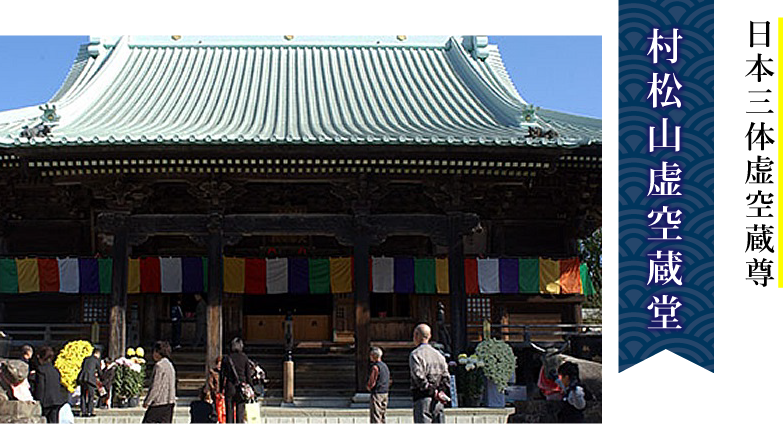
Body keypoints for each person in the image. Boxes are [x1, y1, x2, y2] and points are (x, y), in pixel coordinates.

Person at [409, 324, 450, 424]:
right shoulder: (439, 355)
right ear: (430, 336)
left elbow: (418, 376)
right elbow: (446, 376)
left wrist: (431, 390)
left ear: (416, 335)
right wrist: (439, 391)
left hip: (423, 396)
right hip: (438, 398)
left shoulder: (416, 354)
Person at [142, 341, 177, 424]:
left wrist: (148, 401)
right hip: (169, 401)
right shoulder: (170, 365)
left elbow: (156, 386)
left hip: (159, 402)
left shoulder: (159, 366)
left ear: (158, 352)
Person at [220, 337, 252, 424]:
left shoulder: (227, 358)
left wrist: (221, 388)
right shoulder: (244, 358)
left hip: (230, 385)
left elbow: (222, 375)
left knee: (229, 410)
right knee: (240, 410)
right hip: (241, 386)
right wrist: (250, 386)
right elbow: (248, 374)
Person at [33, 346, 67, 424]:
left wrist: (38, 400)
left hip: (46, 400)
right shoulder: (55, 370)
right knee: (54, 421)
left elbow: (40, 387)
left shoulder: (41, 370)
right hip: (57, 399)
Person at [367, 347, 391, 424]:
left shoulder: (375, 367)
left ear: (374, 356)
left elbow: (372, 381)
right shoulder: (385, 366)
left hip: (377, 393)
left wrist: (369, 387)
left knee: (376, 415)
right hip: (385, 392)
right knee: (382, 414)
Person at [76, 347, 101, 417]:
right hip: (90, 379)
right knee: (91, 396)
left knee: (83, 395)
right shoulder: (96, 360)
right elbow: (99, 370)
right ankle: (90, 411)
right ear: (97, 354)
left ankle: (83, 411)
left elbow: (83, 367)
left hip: (82, 378)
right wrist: (101, 377)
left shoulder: (86, 359)